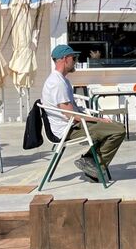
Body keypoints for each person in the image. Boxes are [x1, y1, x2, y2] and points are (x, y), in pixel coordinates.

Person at [42, 44, 125, 182]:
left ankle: (91, 163)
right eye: (74, 58)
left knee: (114, 127)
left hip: (73, 125)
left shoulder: (62, 80)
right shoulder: (57, 83)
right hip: (69, 129)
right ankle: (92, 163)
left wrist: (93, 117)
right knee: (118, 130)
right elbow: (71, 115)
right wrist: (99, 120)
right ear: (65, 59)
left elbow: (72, 111)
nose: (76, 61)